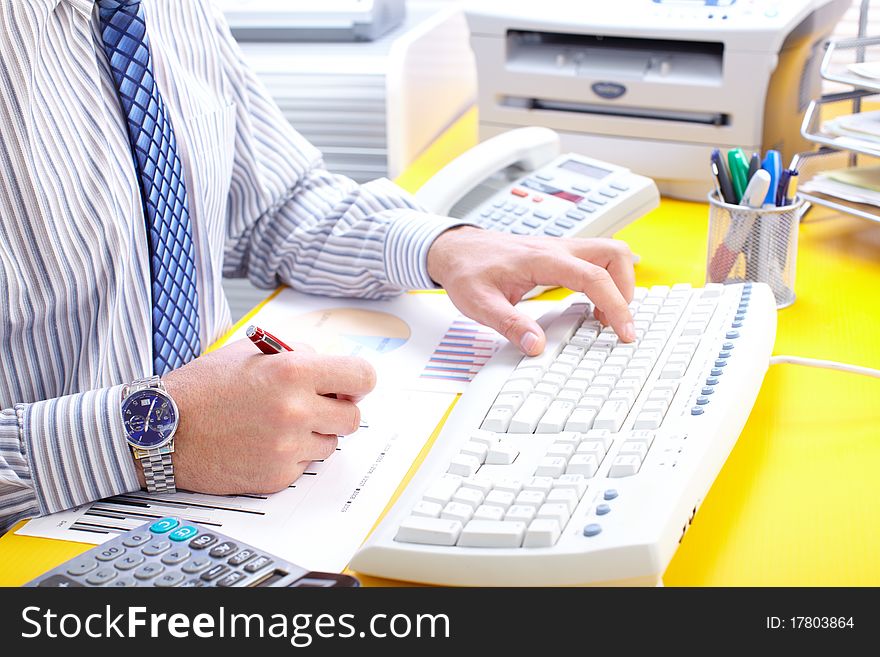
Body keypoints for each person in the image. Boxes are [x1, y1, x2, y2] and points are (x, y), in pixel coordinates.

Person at [0, 0, 635, 534]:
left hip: (239, 503)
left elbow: (270, 203)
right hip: (44, 537)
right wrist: (144, 438)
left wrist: (444, 245)